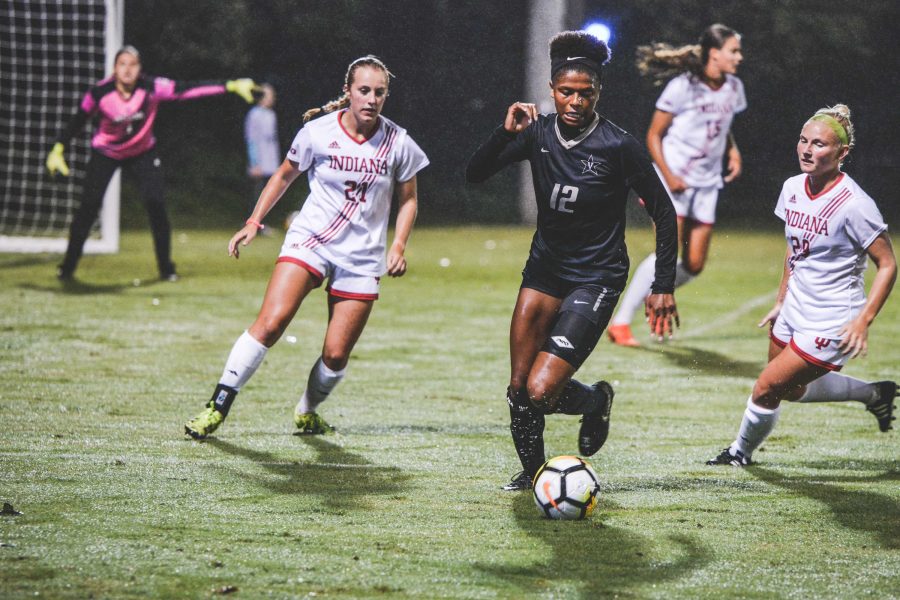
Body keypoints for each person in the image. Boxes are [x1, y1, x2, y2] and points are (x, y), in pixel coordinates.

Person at [465, 31, 679, 490]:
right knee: (519, 388)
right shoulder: (537, 132)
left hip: (597, 277)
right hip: (544, 271)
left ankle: (595, 399)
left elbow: (664, 211)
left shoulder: (618, 146)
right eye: (566, 92)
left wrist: (662, 285)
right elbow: (475, 174)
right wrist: (505, 130)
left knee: (542, 391)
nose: (575, 101)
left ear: (598, 93)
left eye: (586, 93)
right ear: (552, 90)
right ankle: (534, 472)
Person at [184, 55, 428, 440]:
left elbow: (409, 198)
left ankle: (307, 410)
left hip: (362, 257)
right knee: (271, 323)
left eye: (379, 92)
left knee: (335, 356)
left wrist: (397, 245)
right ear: (348, 91)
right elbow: (283, 176)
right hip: (311, 240)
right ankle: (217, 405)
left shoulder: (399, 142)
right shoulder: (318, 132)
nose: (371, 99)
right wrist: (253, 221)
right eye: (363, 90)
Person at [707, 105, 897, 466]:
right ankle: (875, 394)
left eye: (820, 144)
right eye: (803, 140)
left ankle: (739, 454)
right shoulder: (792, 188)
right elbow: (794, 251)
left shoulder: (855, 204)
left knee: (766, 386)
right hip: (794, 307)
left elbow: (887, 264)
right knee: (790, 389)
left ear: (842, 154)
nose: (808, 150)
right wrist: (781, 300)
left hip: (831, 317)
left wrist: (863, 320)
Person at [46, 45, 258, 282]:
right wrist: (58, 148)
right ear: (115, 68)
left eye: (133, 64)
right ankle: (67, 268)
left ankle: (166, 269)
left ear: (140, 69)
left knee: (156, 205)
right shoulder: (99, 93)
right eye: (122, 64)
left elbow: (189, 90)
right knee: (88, 207)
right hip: (106, 153)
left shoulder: (152, 87)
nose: (127, 69)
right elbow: (78, 120)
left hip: (142, 152)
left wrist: (231, 85)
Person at [607, 24, 746, 346]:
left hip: (706, 184)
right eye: (734, 51)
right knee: (665, 255)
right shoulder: (683, 87)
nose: (739, 57)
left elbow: (722, 126)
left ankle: (654, 290)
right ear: (714, 53)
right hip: (673, 180)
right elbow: (653, 135)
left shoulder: (734, 87)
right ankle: (622, 322)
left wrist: (733, 150)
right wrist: (667, 177)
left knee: (695, 264)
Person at [244, 83, 280, 230]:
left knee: (269, 193)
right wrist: (255, 162)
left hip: (270, 161)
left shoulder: (271, 115)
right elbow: (251, 139)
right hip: (260, 161)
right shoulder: (254, 114)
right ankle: (253, 224)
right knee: (257, 194)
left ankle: (263, 224)